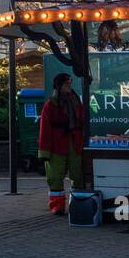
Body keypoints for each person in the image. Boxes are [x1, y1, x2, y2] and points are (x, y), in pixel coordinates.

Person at [37, 73, 85, 215]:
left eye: (69, 83)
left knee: (78, 175)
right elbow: (44, 129)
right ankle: (57, 206)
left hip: (74, 143)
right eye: (66, 84)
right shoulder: (50, 105)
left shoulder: (76, 101)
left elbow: (82, 119)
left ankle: (77, 204)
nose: (69, 86)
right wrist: (44, 151)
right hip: (56, 146)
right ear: (59, 86)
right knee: (55, 177)